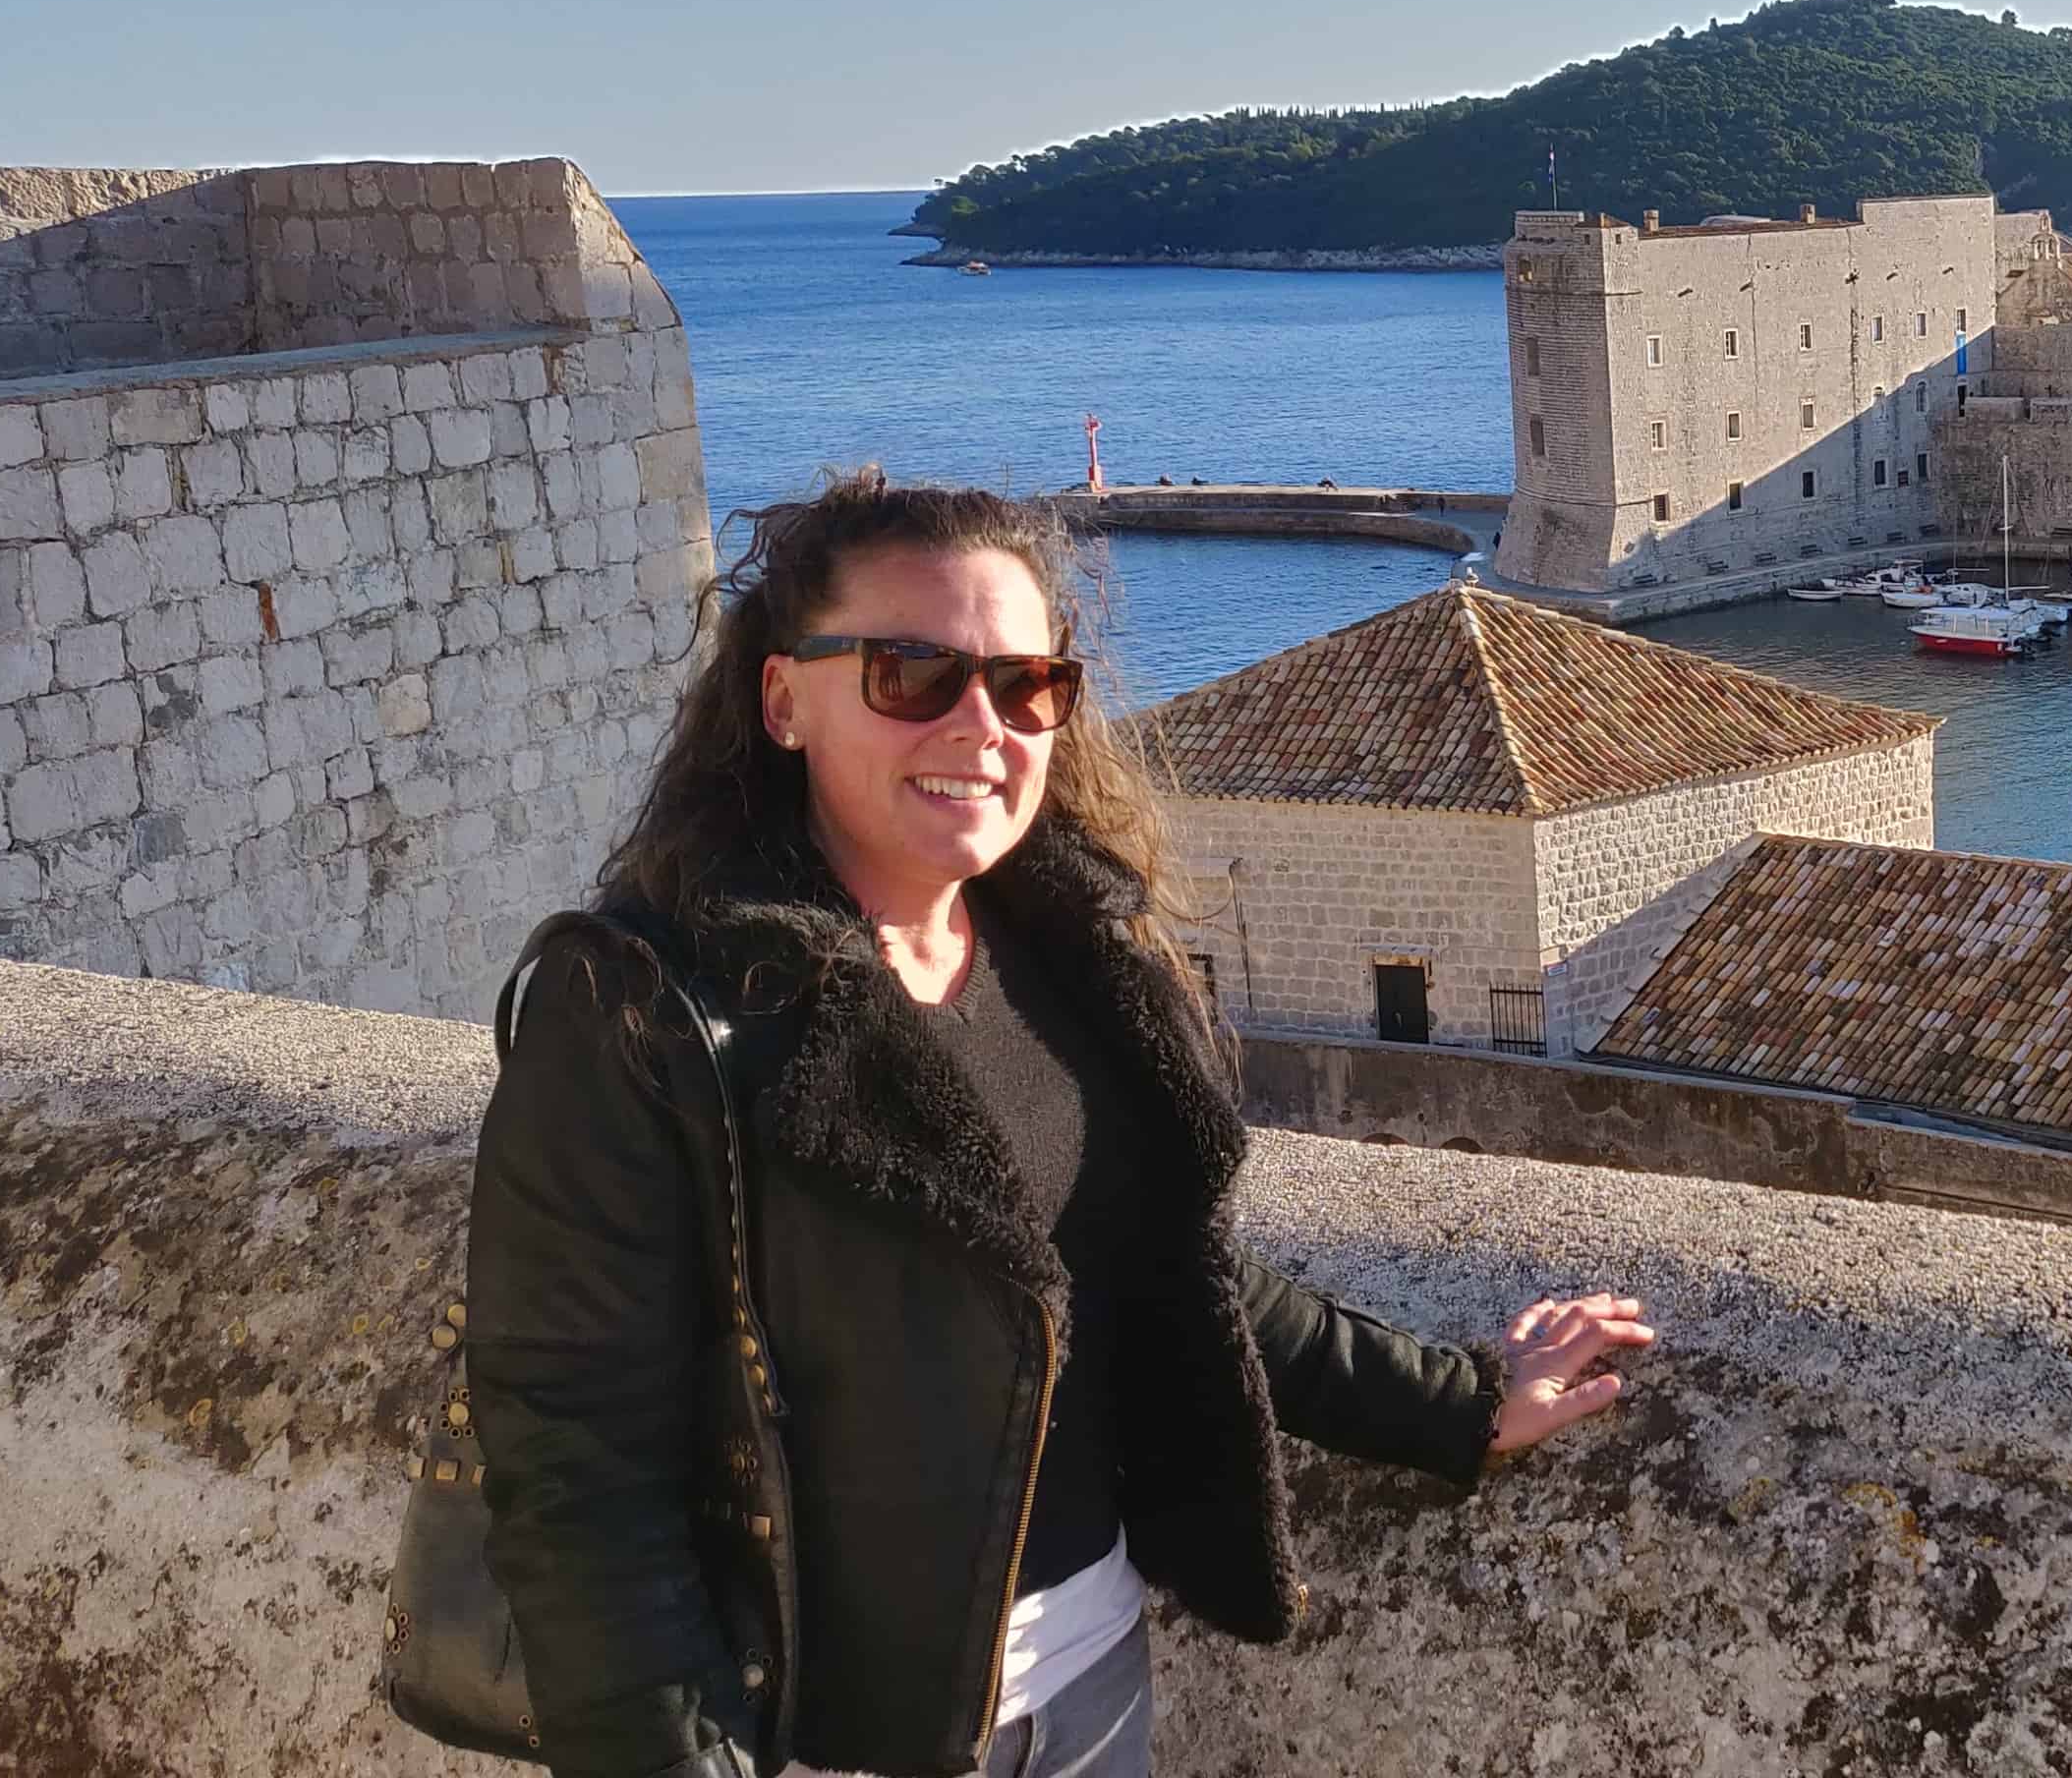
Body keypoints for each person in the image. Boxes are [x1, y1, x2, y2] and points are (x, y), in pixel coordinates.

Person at [468, 470, 1657, 1778]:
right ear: (783, 698)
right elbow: (576, 1458)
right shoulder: (649, 1006)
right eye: (911, 672)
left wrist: (1463, 1405)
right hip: (823, 1737)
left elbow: (1177, 1274)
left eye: (1025, 684)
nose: (982, 724)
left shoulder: (1070, 957)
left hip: (1089, 1686)